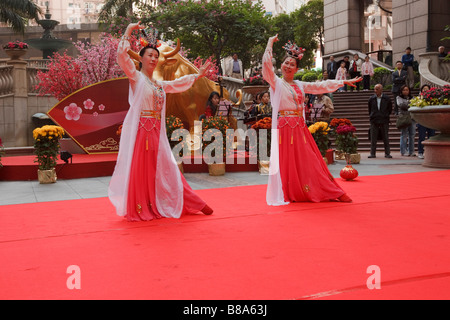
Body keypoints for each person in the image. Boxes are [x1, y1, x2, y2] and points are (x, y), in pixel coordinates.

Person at [108, 21, 214, 221]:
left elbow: (177, 84)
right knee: (143, 172)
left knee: (168, 169)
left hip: (157, 133)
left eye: (156, 56)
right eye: (150, 55)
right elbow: (122, 57)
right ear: (140, 58)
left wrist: (197, 76)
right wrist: (128, 30)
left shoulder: (158, 84)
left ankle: (191, 201)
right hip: (142, 134)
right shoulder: (136, 78)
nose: (154, 59)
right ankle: (143, 206)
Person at [262, 34, 361, 206]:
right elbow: (266, 66)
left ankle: (330, 189)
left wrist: (343, 82)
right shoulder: (276, 83)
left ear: (297, 69)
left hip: (300, 128)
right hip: (285, 128)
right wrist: (270, 43)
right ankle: (290, 191)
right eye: (286, 63)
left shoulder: (300, 85)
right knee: (288, 162)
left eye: (292, 64)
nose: (288, 66)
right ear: (282, 65)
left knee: (311, 160)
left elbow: (320, 86)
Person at [368, 84, 393, 158]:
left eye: (377, 89)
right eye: (375, 89)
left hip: (384, 119)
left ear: (381, 89)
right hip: (374, 119)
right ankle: (372, 153)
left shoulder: (387, 98)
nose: (376, 91)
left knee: (385, 136)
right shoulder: (371, 99)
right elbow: (370, 109)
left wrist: (385, 115)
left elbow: (390, 109)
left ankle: (387, 153)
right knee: (373, 137)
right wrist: (372, 115)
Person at [417, 84, 435, 159]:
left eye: (427, 89)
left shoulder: (433, 98)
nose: (425, 90)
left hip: (431, 121)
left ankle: (432, 153)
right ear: (421, 90)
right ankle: (420, 152)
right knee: (421, 137)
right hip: (422, 121)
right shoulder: (418, 98)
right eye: (424, 89)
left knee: (432, 137)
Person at [396, 85, 416, 156]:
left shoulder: (412, 97)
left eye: (407, 90)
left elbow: (415, 104)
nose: (405, 91)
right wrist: (409, 104)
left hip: (412, 118)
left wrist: (407, 104)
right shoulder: (398, 97)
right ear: (401, 91)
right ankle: (403, 151)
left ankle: (412, 151)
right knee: (404, 134)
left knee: (412, 135)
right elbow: (401, 105)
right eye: (404, 90)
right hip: (404, 117)